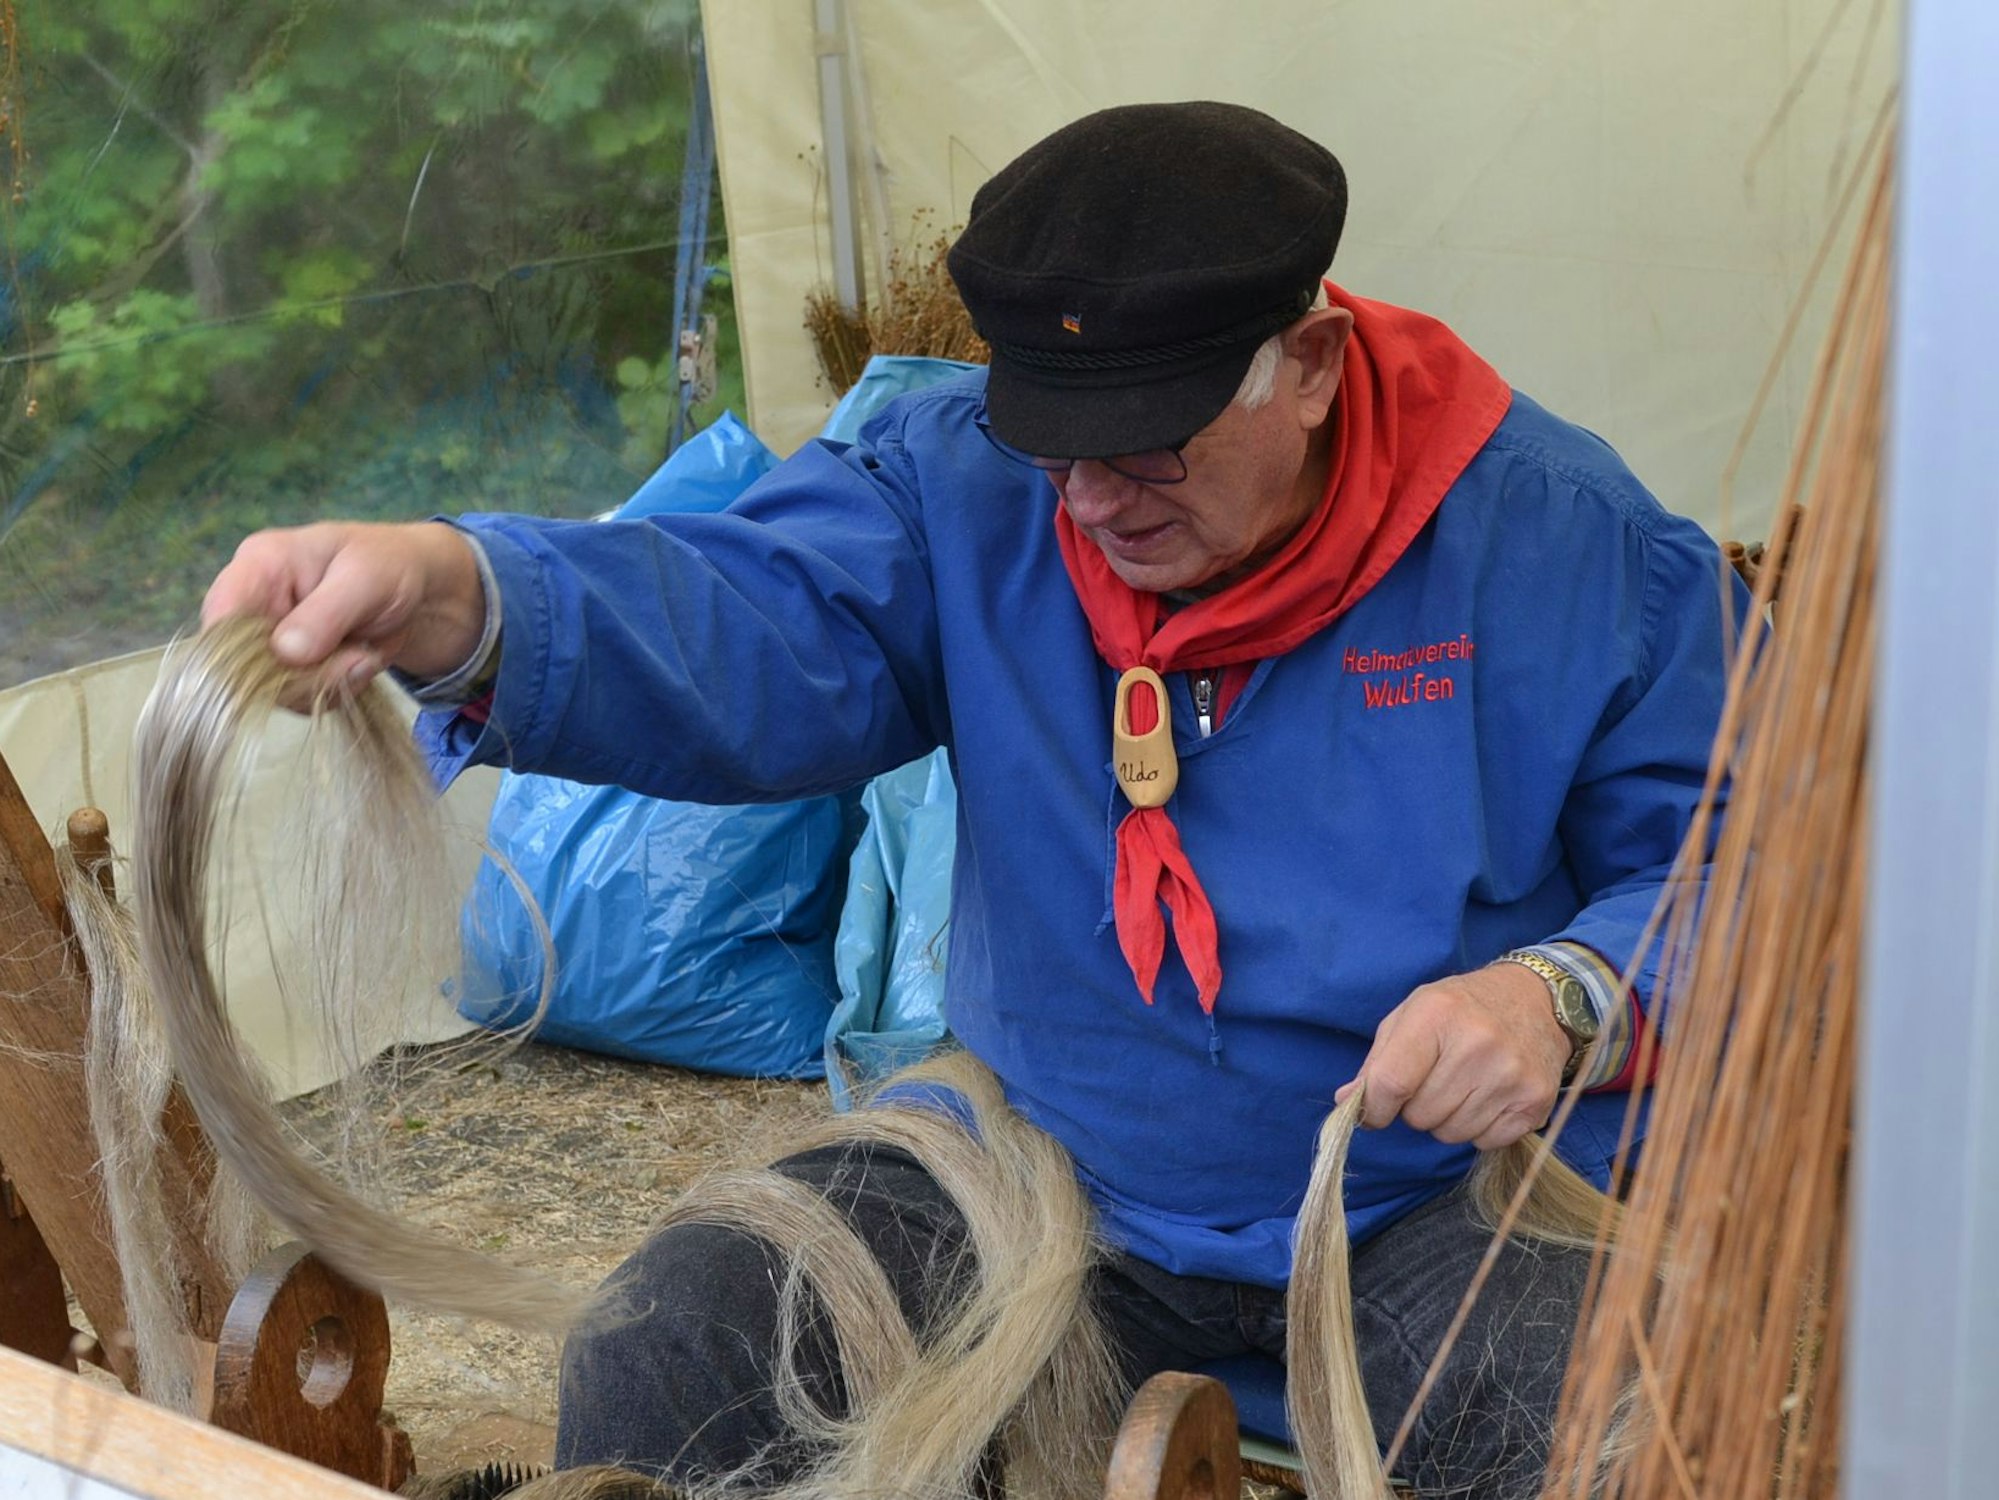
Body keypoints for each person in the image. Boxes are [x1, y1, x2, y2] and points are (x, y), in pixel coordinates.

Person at [205, 102, 1740, 1497]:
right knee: (684, 1343)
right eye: (1051, 443)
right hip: (1052, 1168)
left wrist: (1561, 995)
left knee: (1582, 1429)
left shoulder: (1558, 540)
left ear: (1315, 367)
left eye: (1149, 446)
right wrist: (464, 595)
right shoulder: (953, 480)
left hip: (1426, 1195)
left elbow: (1740, 849)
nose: (1088, 504)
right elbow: (751, 612)